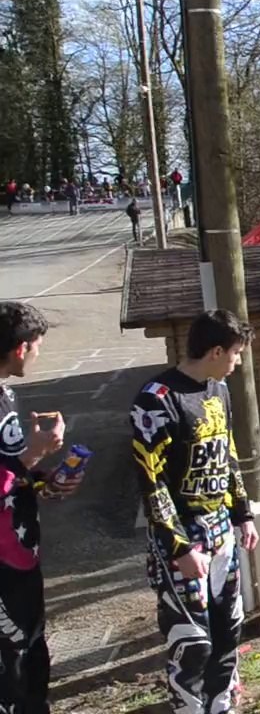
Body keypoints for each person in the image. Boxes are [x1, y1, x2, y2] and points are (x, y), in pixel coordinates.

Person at [130, 309, 259, 714]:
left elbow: (228, 454)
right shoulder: (156, 400)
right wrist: (178, 546)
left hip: (221, 530)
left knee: (228, 629)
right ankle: (188, 708)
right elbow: (151, 481)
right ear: (217, 350)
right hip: (182, 537)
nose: (238, 363)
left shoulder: (217, 390)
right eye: (236, 354)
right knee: (192, 640)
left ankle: (223, 705)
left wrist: (243, 513)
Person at [0, 302, 85, 714]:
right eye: (37, 345)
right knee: (11, 668)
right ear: (21, 348)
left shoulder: (5, 393)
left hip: (20, 555)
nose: (38, 354)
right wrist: (29, 459)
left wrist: (48, 482)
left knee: (32, 657)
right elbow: (11, 468)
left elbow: (11, 476)